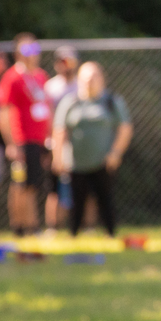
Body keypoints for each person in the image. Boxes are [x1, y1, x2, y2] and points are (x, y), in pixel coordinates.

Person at [52, 61, 133, 238]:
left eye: (94, 77)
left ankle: (110, 233)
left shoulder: (111, 101)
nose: (90, 81)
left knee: (105, 199)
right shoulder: (70, 102)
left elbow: (125, 128)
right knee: (76, 201)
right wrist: (58, 157)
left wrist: (116, 153)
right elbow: (59, 130)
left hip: (103, 161)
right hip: (76, 162)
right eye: (86, 78)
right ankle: (73, 235)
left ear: (102, 79)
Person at [0, 34, 54, 236]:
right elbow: (4, 112)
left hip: (39, 140)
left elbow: (46, 108)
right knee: (20, 183)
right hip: (21, 140)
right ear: (17, 53)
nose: (32, 55)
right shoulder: (12, 77)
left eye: (35, 50)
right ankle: (22, 226)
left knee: (34, 184)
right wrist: (11, 143)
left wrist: (50, 136)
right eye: (27, 50)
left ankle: (31, 224)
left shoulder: (40, 76)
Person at [42, 46, 80, 227]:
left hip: (78, 144)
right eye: (63, 61)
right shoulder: (50, 87)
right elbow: (46, 117)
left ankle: (84, 226)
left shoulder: (82, 85)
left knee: (82, 186)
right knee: (54, 187)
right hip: (56, 143)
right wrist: (51, 143)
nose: (67, 65)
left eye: (70, 61)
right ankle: (53, 227)